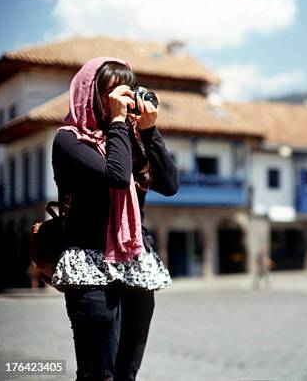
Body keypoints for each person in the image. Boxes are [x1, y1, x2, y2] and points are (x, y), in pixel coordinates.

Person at [51, 57, 178, 380]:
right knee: (98, 374)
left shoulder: (131, 139)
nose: (124, 98)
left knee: (127, 374)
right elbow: (118, 176)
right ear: (91, 95)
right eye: (114, 91)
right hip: (91, 268)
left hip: (136, 269)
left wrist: (149, 131)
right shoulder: (70, 140)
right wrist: (119, 123)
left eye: (129, 90)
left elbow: (169, 185)